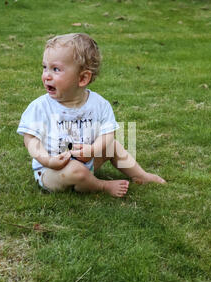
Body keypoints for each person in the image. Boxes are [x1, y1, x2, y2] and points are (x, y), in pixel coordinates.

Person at [17, 33, 165, 197]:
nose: (47, 75)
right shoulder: (40, 107)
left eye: (56, 69)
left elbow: (108, 134)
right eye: (45, 67)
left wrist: (93, 150)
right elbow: (30, 140)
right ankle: (101, 185)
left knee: (113, 146)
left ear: (82, 78)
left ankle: (140, 175)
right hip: (52, 172)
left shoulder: (99, 105)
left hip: (87, 160)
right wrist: (47, 160)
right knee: (76, 171)